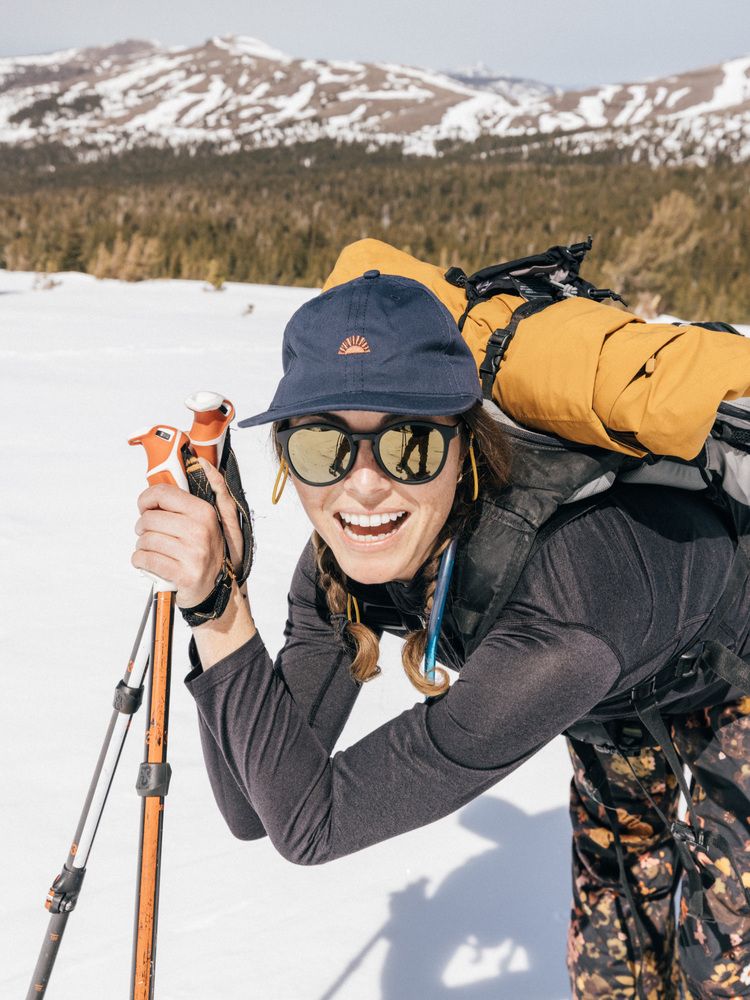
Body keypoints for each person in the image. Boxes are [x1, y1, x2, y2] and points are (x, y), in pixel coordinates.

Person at [132, 270, 750, 999]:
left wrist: (221, 613)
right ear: (285, 463)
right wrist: (217, 599)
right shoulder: (351, 553)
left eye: (411, 444)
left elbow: (312, 824)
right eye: (322, 447)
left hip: (715, 665)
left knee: (726, 964)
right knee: (611, 958)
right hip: (618, 681)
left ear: (466, 446)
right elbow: (254, 806)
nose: (363, 486)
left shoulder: (561, 616)